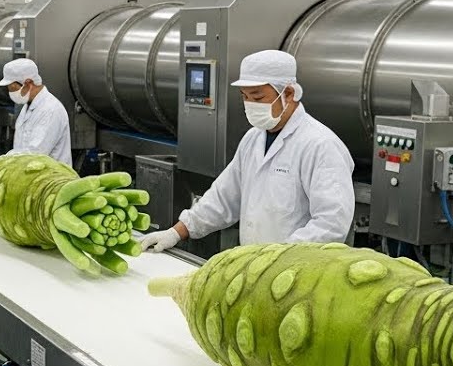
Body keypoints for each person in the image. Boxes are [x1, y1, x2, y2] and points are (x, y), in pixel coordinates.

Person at [140, 50, 355, 251]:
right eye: (244, 96)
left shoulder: (320, 145)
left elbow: (331, 223)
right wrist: (176, 233)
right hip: (253, 268)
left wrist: (277, 258)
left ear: (288, 93)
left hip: (295, 274)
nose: (250, 104)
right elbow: (223, 198)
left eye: (258, 97)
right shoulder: (254, 138)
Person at [0, 58, 71, 171]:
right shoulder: (27, 106)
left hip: (51, 180)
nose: (10, 92)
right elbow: (22, 148)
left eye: (12, 88)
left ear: (28, 83)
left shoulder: (51, 110)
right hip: (28, 173)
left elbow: (35, 153)